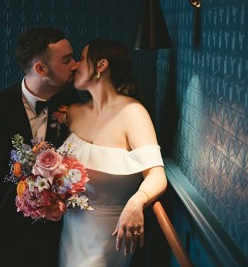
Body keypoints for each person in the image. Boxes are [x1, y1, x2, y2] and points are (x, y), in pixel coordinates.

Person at [0, 27, 79, 267]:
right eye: (66, 60)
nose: (75, 64)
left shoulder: (72, 105)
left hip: (54, 243)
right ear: (41, 69)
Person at [58, 38, 168, 267]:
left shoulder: (133, 113)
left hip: (112, 232)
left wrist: (137, 202)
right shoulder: (72, 112)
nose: (75, 65)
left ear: (101, 66)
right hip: (71, 230)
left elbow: (157, 176)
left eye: (81, 59)